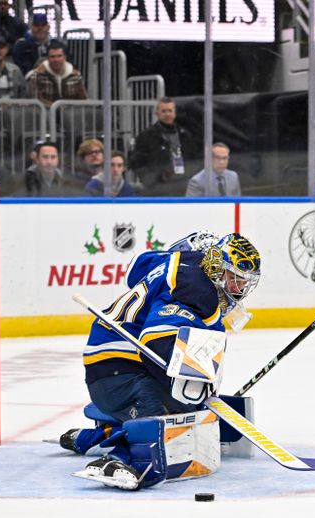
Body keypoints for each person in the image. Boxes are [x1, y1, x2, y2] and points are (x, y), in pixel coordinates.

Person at [59, 232, 261, 490]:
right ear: (218, 267)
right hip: (119, 370)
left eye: (244, 282)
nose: (239, 289)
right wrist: (189, 382)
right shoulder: (199, 291)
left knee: (188, 414)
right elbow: (154, 339)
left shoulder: (182, 261)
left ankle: (92, 437)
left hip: (112, 365)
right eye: (235, 279)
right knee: (171, 421)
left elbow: (137, 267)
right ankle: (121, 458)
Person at [129, 97, 199, 195]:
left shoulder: (185, 135)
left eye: (170, 111)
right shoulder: (146, 136)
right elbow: (137, 162)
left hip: (182, 185)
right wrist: (151, 180)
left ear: (175, 113)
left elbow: (194, 159)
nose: (167, 114)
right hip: (157, 187)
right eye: (163, 111)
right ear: (156, 113)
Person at [26, 40, 87, 108]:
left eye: (59, 56)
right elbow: (36, 101)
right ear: (47, 58)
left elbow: (83, 101)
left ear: (65, 57)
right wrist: (56, 108)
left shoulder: (76, 77)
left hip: (71, 115)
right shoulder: (37, 76)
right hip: (44, 116)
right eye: (53, 56)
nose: (56, 60)